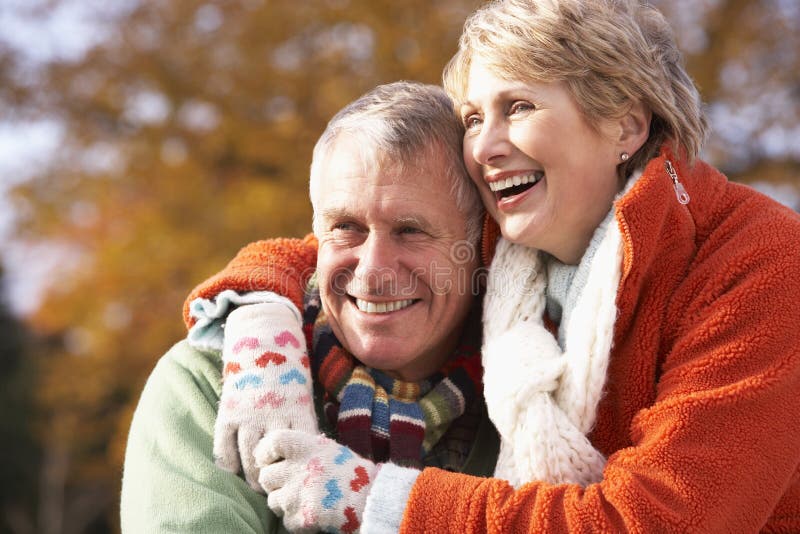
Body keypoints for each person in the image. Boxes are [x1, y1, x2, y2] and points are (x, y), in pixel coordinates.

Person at [193, 0, 800, 532]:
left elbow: (663, 521)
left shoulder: (760, 263)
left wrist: (373, 499)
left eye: (520, 106)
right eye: (475, 118)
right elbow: (343, 248)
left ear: (627, 122)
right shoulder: (508, 244)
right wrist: (261, 331)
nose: (483, 147)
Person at [119, 81, 500, 533]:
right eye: (345, 227)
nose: (373, 270)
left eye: (411, 230)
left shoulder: (543, 394)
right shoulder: (208, 385)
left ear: (478, 244)